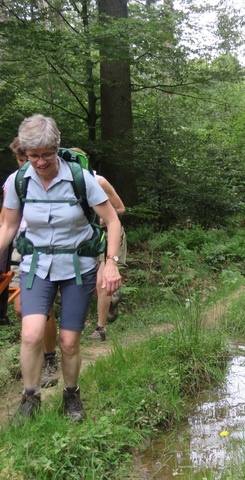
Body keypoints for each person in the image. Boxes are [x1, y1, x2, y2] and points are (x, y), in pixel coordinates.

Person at [0, 114, 122, 423]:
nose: (40, 162)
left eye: (46, 155)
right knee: (30, 335)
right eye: (32, 156)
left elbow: (112, 219)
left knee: (69, 341)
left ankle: (71, 394)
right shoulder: (19, 181)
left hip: (77, 268)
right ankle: (30, 397)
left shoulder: (82, 178)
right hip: (36, 265)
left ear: (57, 147)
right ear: (24, 154)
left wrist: (110, 265)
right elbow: (8, 225)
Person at [1, 138, 59, 389]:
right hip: (20, 249)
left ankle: (49, 358)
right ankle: (34, 357)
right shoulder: (13, 182)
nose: (28, 165)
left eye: (30, 159)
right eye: (22, 160)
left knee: (43, 308)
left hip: (47, 248)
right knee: (20, 309)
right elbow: (6, 220)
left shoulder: (53, 177)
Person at [82, 159, 126, 341]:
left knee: (102, 283)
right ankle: (112, 299)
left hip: (108, 235)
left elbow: (121, 209)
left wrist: (100, 221)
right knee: (92, 283)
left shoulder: (99, 182)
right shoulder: (67, 185)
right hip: (88, 238)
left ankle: (100, 329)